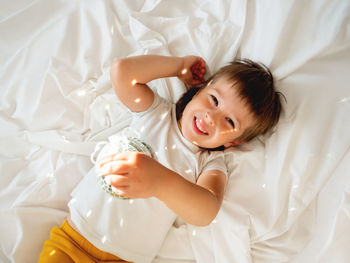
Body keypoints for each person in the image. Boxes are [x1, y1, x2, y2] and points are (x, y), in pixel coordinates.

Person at [38, 55, 283, 263]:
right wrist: (178, 66)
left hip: (123, 258)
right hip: (71, 239)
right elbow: (122, 72)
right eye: (214, 100)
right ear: (199, 90)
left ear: (234, 142)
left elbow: (205, 211)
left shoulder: (209, 163)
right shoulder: (154, 114)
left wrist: (161, 181)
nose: (211, 117)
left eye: (229, 121)